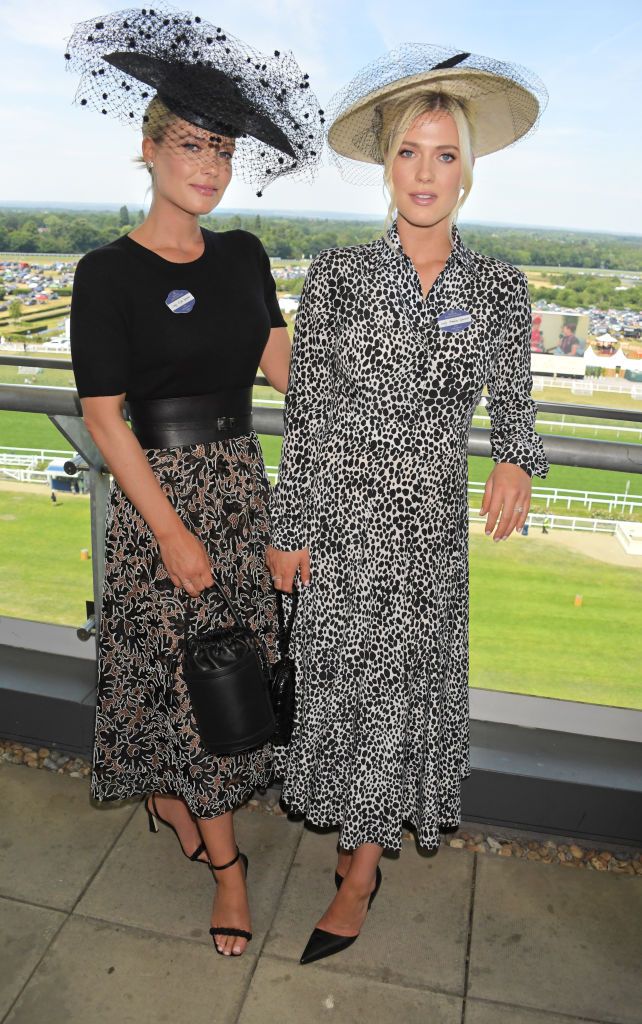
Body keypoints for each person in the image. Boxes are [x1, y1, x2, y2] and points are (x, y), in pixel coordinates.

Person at [267, 44, 550, 966]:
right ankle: (358, 848)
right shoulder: (340, 275)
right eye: (408, 153)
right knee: (346, 694)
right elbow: (307, 413)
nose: (424, 173)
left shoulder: (500, 288)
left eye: (444, 154)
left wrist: (515, 454)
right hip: (342, 528)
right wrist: (290, 529)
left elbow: (514, 393)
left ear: (467, 170)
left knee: (404, 699)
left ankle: (359, 872)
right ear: (385, 166)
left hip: (428, 533)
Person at [66, 6, 322, 958]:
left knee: (227, 674)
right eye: (190, 146)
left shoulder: (246, 255)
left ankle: (175, 799)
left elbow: (290, 372)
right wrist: (173, 533)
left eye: (223, 150)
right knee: (192, 682)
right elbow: (103, 418)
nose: (210, 165)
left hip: (243, 488)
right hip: (159, 501)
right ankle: (227, 867)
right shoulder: (106, 274)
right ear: (148, 149)